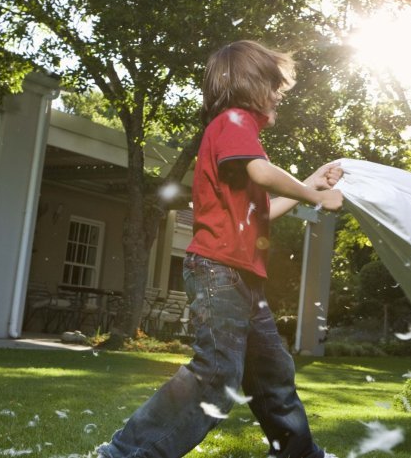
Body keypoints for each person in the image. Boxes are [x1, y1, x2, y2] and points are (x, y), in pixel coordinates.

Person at [97, 40, 343, 458]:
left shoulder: (239, 134)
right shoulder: (233, 120)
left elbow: (263, 208)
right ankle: (123, 454)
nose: (281, 92)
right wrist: (315, 196)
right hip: (219, 271)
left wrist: (307, 187)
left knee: (272, 373)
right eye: (275, 83)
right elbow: (263, 173)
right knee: (217, 376)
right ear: (252, 85)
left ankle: (299, 454)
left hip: (241, 278)